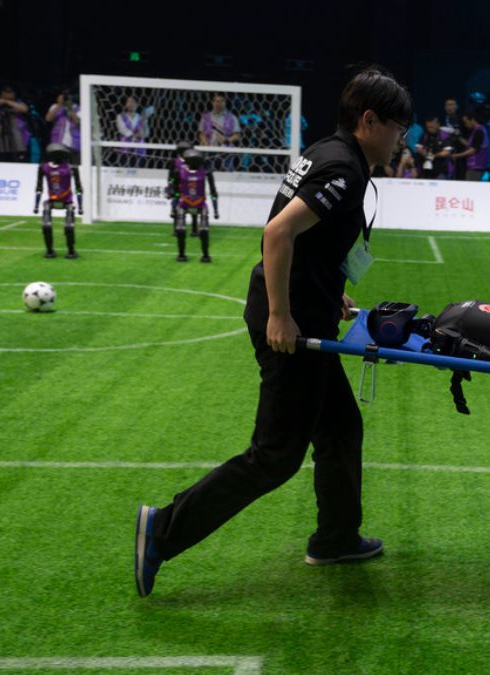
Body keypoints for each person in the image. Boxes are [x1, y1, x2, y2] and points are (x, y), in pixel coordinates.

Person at [134, 67, 412, 597]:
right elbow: (278, 231)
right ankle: (162, 530)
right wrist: (282, 313)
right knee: (274, 456)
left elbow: (308, 243)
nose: (403, 140)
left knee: (340, 429)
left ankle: (335, 538)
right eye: (399, 128)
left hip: (304, 311)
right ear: (370, 120)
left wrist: (328, 292)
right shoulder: (343, 169)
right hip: (290, 327)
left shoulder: (329, 152)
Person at [32, 143, 83, 259]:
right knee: (46, 225)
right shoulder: (44, 168)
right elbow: (39, 188)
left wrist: (80, 206)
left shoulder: (71, 168)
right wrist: (36, 205)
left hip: (67, 200)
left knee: (69, 226)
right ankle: (49, 250)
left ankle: (71, 250)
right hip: (51, 199)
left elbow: (78, 188)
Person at [170, 148, 219, 262]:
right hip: (184, 203)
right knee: (180, 229)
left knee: (204, 230)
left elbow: (213, 192)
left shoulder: (205, 172)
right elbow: (175, 190)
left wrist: (216, 209)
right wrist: (174, 203)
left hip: (200, 204)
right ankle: (182, 254)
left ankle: (205, 255)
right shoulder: (180, 172)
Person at [0, 86, 30, 162]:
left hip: (17, 140)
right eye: (5, 92)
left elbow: (25, 109)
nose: (7, 94)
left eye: (10, 93)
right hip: (0, 139)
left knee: (18, 161)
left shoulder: (18, 102)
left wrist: (6, 102)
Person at [199, 93, 241, 170]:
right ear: (212, 102)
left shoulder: (232, 117)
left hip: (226, 151)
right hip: (209, 150)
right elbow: (201, 133)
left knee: (226, 172)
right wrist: (204, 141)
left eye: (222, 101)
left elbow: (237, 135)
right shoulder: (205, 117)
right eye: (216, 101)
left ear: (225, 102)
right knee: (208, 171)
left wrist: (226, 139)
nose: (219, 103)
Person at [452, 111, 490, 181]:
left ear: (472, 120)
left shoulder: (479, 131)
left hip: (476, 167)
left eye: (466, 122)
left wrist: (457, 155)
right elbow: (470, 144)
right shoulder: (477, 130)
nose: (465, 125)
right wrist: (458, 137)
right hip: (475, 166)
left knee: (470, 187)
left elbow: (473, 150)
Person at [45, 89, 81, 161]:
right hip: (58, 141)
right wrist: (59, 105)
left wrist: (70, 108)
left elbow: (78, 121)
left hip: (74, 142)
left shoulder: (78, 108)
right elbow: (48, 119)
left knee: (74, 163)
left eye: (68, 95)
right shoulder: (55, 106)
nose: (66, 97)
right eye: (64, 95)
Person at [115, 95, 147, 167]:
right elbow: (122, 129)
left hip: (139, 149)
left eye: (133, 102)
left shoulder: (141, 117)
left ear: (137, 104)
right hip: (125, 149)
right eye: (129, 102)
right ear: (126, 104)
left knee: (139, 170)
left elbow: (146, 132)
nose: (131, 104)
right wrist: (135, 135)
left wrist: (143, 133)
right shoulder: (120, 116)